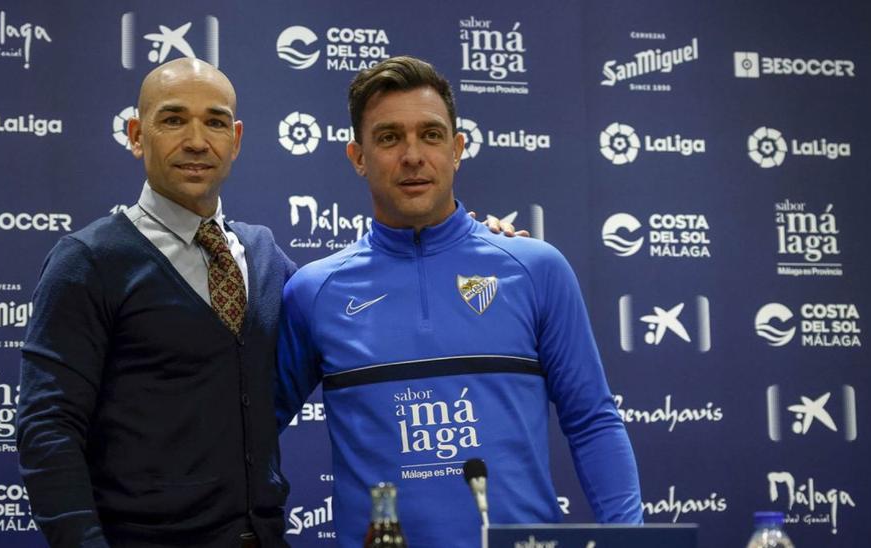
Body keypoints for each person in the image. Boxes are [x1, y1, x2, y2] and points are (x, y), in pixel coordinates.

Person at [275, 56, 643, 548]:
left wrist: (631, 540)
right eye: (388, 138)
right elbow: (248, 433)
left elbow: (592, 420)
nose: (412, 155)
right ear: (357, 156)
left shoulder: (535, 269)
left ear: (457, 149)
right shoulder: (313, 293)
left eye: (430, 135)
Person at [17, 59, 293, 548]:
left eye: (215, 122)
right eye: (172, 120)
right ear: (136, 135)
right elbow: (48, 428)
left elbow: (353, 312)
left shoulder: (265, 256)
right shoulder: (89, 260)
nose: (196, 141)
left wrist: (469, 247)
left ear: (237, 139)